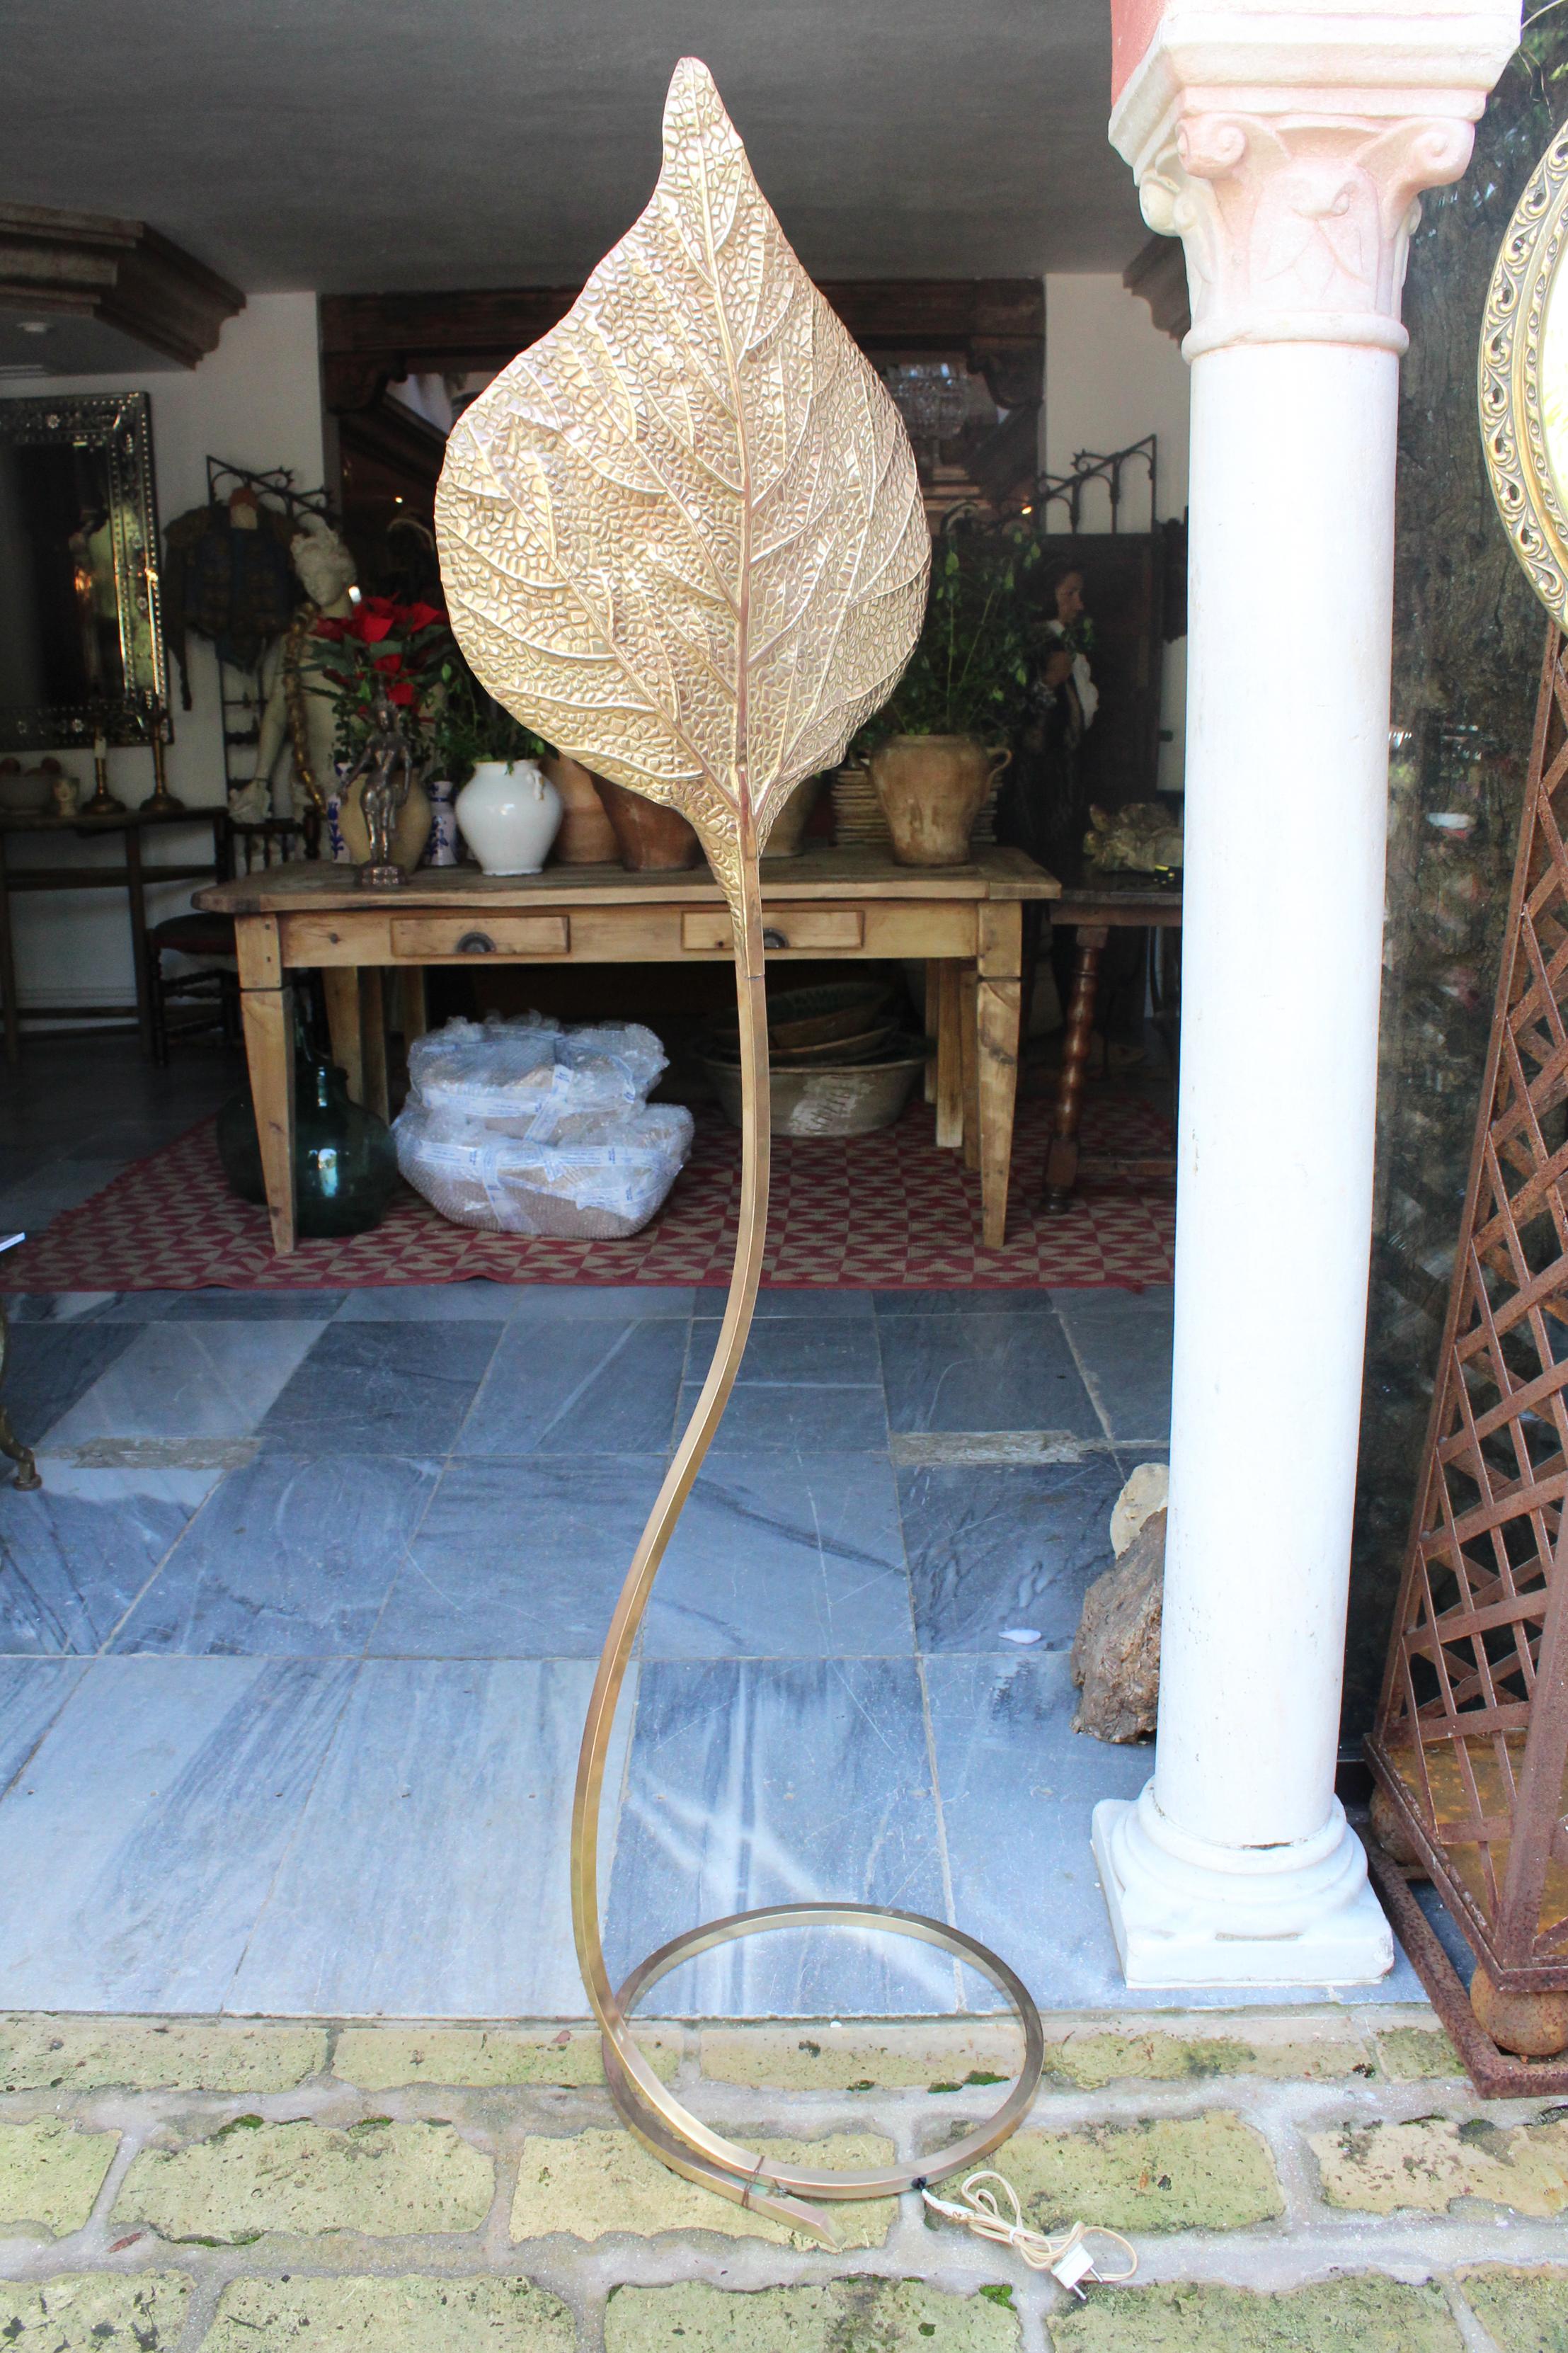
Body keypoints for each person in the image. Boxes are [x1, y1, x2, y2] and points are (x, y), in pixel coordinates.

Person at [996, 562, 1097, 883]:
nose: (1079, 604)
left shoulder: (1067, 642)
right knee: (1039, 858)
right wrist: (1049, 682)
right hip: (1038, 777)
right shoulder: (1031, 643)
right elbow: (1014, 712)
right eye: (1071, 594)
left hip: (1066, 769)